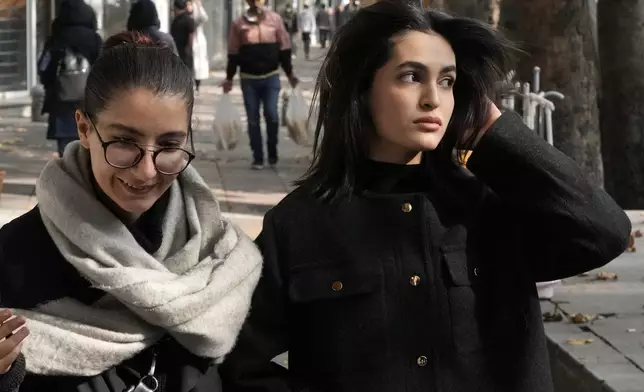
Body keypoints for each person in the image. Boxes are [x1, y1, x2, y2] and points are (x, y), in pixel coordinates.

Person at [219, 1, 631, 391]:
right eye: (411, 76)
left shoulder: (487, 209)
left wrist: (495, 131)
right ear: (362, 90)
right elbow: (235, 360)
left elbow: (604, 231)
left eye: (448, 81)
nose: (434, 98)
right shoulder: (301, 223)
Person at [0, 31, 262, 392]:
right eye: (124, 142)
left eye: (170, 145)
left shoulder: (221, 258)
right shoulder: (14, 259)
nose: (147, 171)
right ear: (84, 128)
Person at [223, 0, 299, 170]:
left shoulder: (275, 20)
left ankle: (272, 153)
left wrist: (290, 74)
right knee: (253, 119)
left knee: (272, 115)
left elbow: (284, 49)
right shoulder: (238, 24)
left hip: (271, 77)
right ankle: (258, 157)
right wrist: (229, 78)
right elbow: (233, 53)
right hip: (248, 79)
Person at [38, 0, 102, 157]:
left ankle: (69, 179)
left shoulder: (56, 39)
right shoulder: (94, 40)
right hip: (89, 104)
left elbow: (43, 68)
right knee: (89, 150)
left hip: (61, 105)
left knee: (66, 153)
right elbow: (105, 70)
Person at [171, 0, 196, 72]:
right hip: (183, 51)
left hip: (181, 50)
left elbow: (191, 36)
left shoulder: (176, 21)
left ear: (176, 8)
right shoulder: (189, 19)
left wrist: (188, 48)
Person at [191, 0, 210, 93]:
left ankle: (197, 85)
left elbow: (204, 18)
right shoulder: (187, 5)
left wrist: (199, 6)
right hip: (188, 37)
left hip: (197, 38)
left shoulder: (196, 6)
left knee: (198, 62)